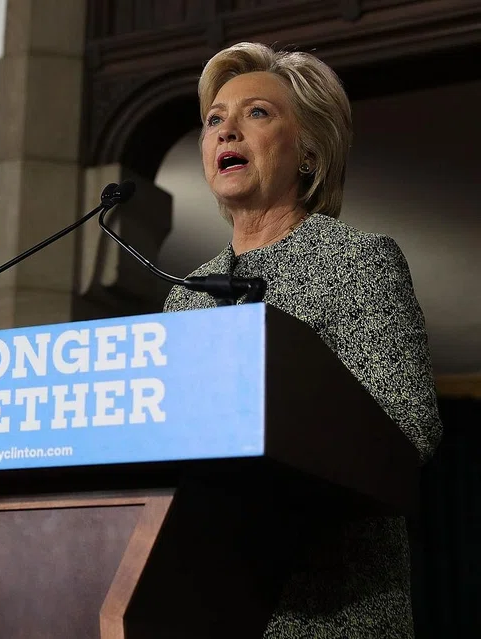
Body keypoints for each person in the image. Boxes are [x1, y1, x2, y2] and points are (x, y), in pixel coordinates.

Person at [163, 42, 443, 637]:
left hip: (333, 609)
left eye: (257, 113)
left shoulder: (359, 263)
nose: (226, 130)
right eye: (214, 120)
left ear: (309, 151)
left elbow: (408, 431)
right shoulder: (185, 298)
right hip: (208, 608)